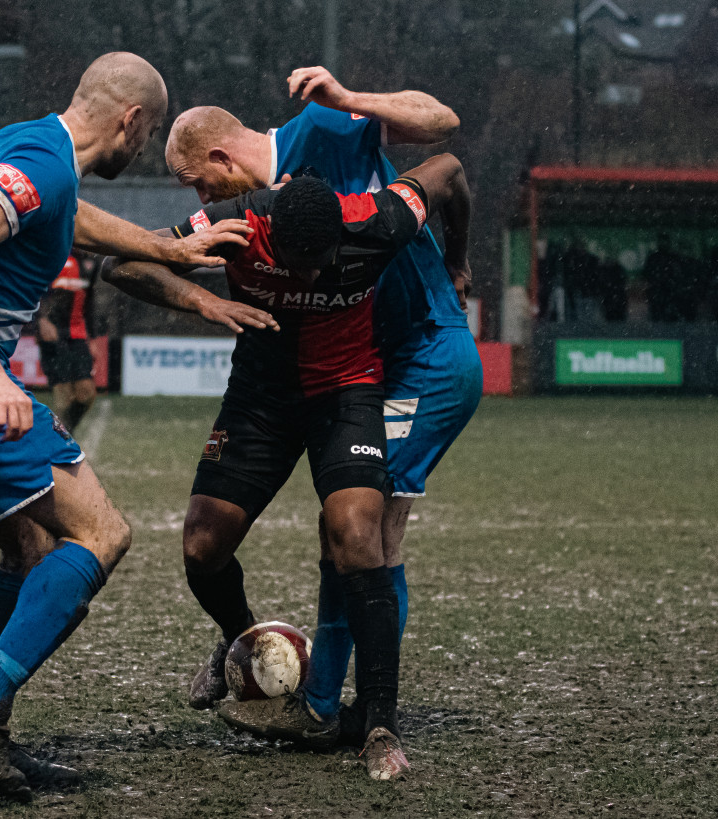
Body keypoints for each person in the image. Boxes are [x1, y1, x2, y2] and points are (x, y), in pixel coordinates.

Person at [0, 52, 256, 802]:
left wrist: (167, 247)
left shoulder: (33, 147)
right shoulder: (45, 165)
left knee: (29, 546)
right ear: (132, 121)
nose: (139, 151)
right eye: (144, 140)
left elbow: (69, 215)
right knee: (103, 533)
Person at [155, 67, 484, 775]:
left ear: (219, 158)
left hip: (424, 351)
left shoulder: (324, 127)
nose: (200, 199)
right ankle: (316, 689)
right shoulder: (248, 209)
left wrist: (354, 99)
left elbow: (444, 126)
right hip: (371, 357)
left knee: (366, 532)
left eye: (198, 183)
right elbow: (142, 256)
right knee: (342, 529)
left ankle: (340, 706)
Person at [35, 248, 100, 432]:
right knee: (63, 395)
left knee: (86, 393)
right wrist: (40, 319)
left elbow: (90, 301)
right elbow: (32, 288)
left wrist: (93, 339)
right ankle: (61, 445)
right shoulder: (54, 252)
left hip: (77, 334)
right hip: (52, 334)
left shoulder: (91, 262)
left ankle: (60, 436)